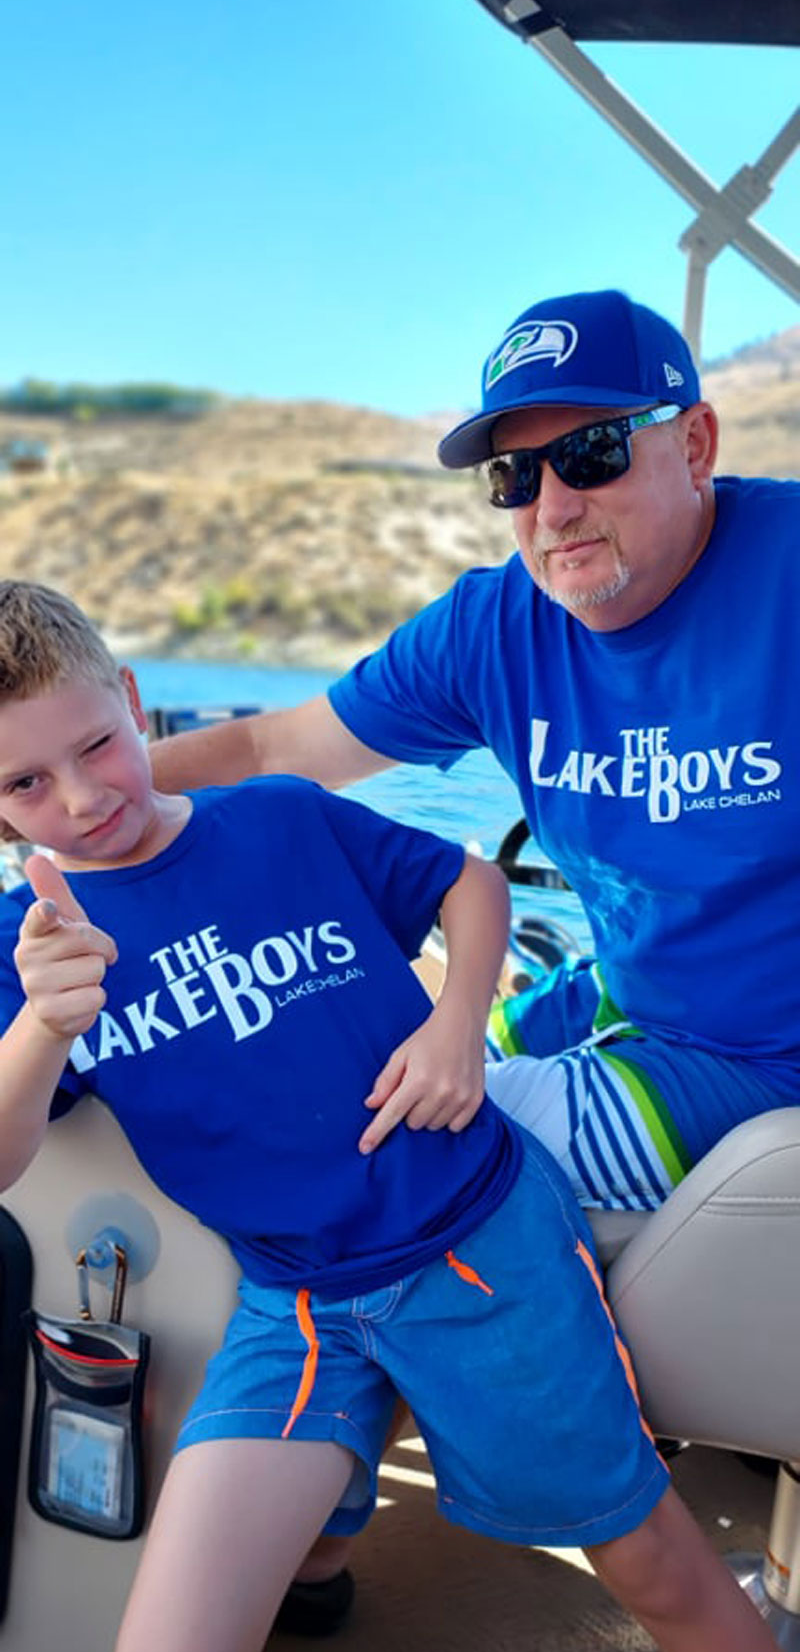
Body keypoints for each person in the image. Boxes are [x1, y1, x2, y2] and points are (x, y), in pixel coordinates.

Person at [0, 582, 796, 1652]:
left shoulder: (278, 819)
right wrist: (42, 1026)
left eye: (94, 745)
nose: (83, 798)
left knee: (656, 1570)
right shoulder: (32, 950)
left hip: (475, 1247)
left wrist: (458, 1024)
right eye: (25, 783)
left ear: (134, 702)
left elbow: (467, 883)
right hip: (294, 1307)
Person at [149, 286, 800, 1221]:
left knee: (399, 1148)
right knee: (375, 1069)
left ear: (695, 444)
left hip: (769, 1063)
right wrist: (83, 788)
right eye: (516, 476)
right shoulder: (494, 629)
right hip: (628, 995)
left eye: (592, 453)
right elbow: (271, 747)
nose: (553, 507)